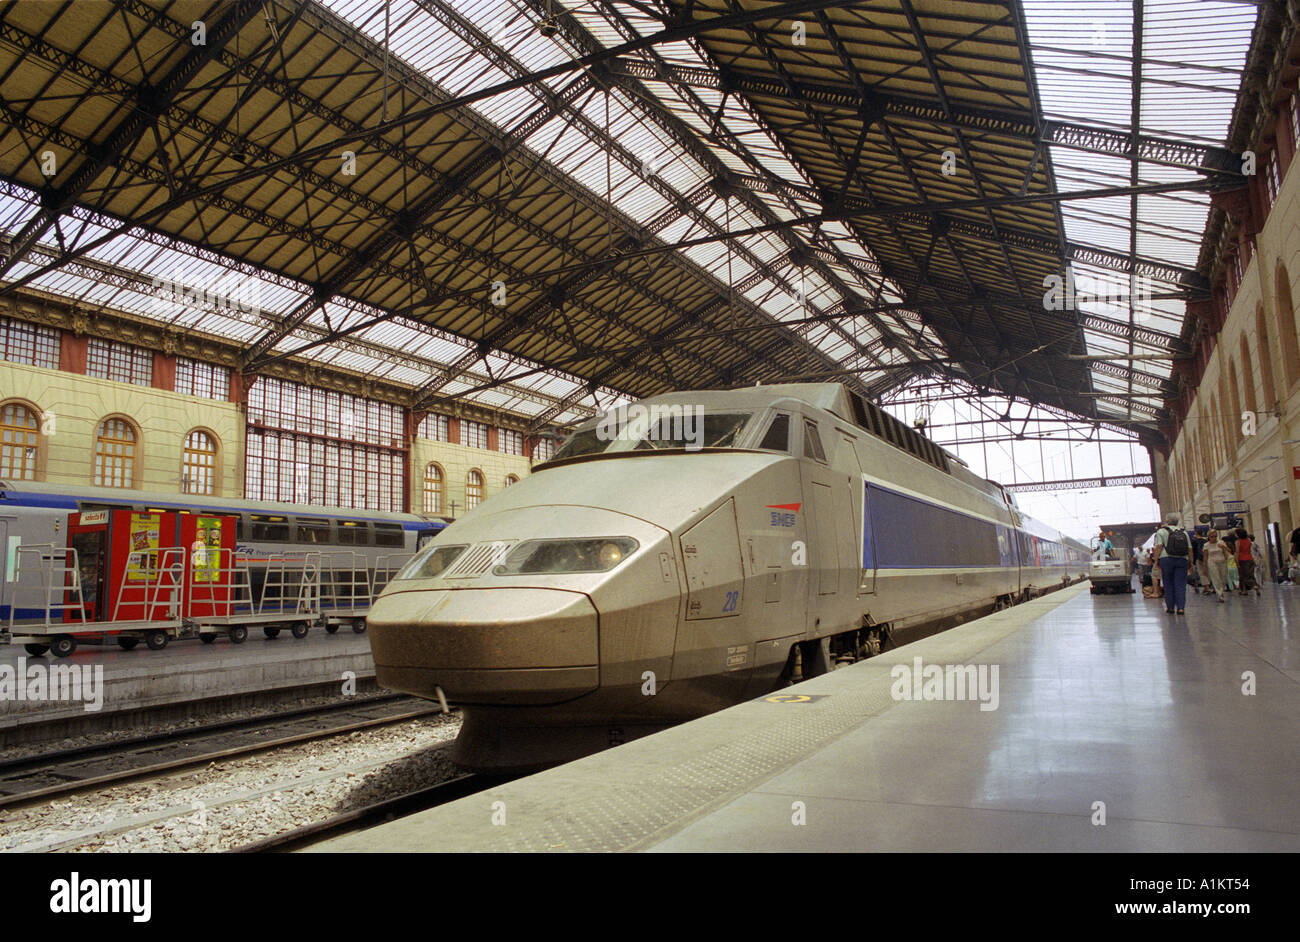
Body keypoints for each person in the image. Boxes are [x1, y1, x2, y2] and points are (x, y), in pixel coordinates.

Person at [1152, 512, 1191, 614]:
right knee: (1180, 584)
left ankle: (1170, 607)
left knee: (1168, 583)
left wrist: (1156, 560)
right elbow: (1190, 548)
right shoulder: (1184, 532)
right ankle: (1181, 607)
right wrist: (1190, 561)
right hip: (1182, 559)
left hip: (1166, 559)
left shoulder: (1161, 531)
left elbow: (1159, 546)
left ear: (1167, 521)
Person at [1203, 529, 1230, 602]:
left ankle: (1222, 589)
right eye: (1212, 536)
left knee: (1223, 578)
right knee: (1216, 578)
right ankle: (1220, 593)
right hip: (1212, 562)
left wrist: (1223, 547)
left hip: (1222, 561)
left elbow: (1229, 551)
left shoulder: (1221, 542)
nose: (1214, 538)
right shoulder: (1206, 545)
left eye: (1215, 536)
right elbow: (1205, 557)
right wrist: (1204, 567)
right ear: (1209, 537)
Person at [1235, 528, 1260, 596]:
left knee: (1243, 576)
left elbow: (1237, 552)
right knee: (1250, 574)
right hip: (1250, 558)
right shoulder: (1248, 540)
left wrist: (1236, 561)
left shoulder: (1238, 541)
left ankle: (1246, 589)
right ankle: (1254, 586)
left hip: (1242, 559)